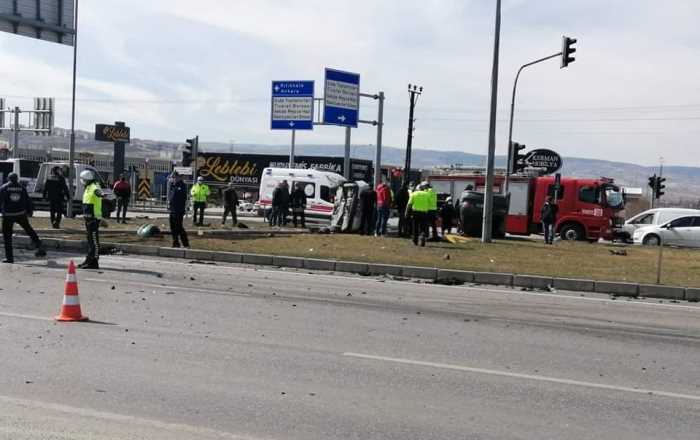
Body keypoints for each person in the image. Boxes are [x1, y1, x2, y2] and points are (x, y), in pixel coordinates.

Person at [0, 173, 46, 263]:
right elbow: (27, 200)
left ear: (8, 179)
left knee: (7, 237)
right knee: (29, 229)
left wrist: (2, 211)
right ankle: (39, 244)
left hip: (8, 215)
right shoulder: (22, 188)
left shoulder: (4, 188)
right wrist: (30, 211)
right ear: (17, 179)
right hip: (21, 214)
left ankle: (10, 258)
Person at [79, 169, 103, 269]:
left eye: (82, 179)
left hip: (93, 218)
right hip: (88, 219)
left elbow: (98, 192)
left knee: (94, 241)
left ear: (86, 179)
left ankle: (94, 262)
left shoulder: (94, 186)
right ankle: (89, 260)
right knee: (90, 241)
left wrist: (101, 194)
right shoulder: (88, 187)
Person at [168, 171, 190, 248]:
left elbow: (180, 197)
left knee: (179, 227)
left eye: (173, 177)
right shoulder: (173, 186)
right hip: (172, 210)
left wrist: (175, 185)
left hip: (178, 210)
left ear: (177, 177)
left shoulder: (181, 185)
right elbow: (172, 197)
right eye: (172, 177)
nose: (172, 179)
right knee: (173, 227)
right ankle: (175, 243)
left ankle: (186, 244)